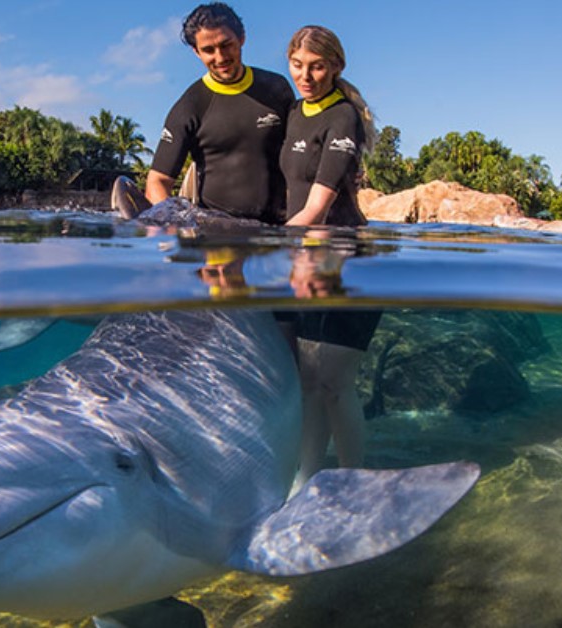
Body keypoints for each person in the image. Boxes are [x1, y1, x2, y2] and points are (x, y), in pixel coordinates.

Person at [277, 25, 383, 484]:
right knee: (308, 384)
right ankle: (307, 484)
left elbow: (317, 207)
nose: (307, 75)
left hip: (348, 260)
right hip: (305, 259)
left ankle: (353, 482)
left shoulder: (343, 117)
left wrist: (269, 246)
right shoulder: (293, 114)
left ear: (336, 66)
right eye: (298, 65)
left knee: (335, 385)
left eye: (317, 66)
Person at [115, 3, 295, 221]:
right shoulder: (190, 105)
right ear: (196, 52)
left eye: (226, 45)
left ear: (242, 38)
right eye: (209, 50)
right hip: (215, 236)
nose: (220, 58)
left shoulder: (276, 89)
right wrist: (170, 225)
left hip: (279, 231)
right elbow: (158, 181)